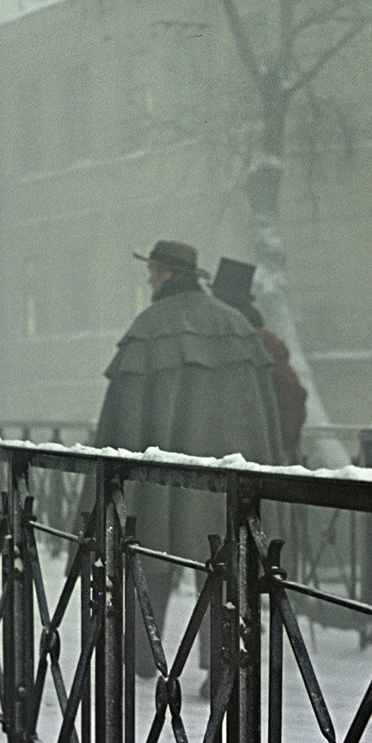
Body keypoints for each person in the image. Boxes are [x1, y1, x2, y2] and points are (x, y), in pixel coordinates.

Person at [94, 240, 284, 676]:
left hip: (163, 481)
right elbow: (264, 421)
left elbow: (120, 419)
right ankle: (219, 668)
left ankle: (142, 660)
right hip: (228, 481)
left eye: (151, 274)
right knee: (221, 567)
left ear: (162, 274)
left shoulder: (149, 327)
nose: (149, 281)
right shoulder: (236, 325)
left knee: (151, 557)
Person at [210, 257, 308, 461]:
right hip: (258, 446)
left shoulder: (258, 342)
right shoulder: (264, 341)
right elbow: (292, 396)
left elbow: (290, 397)